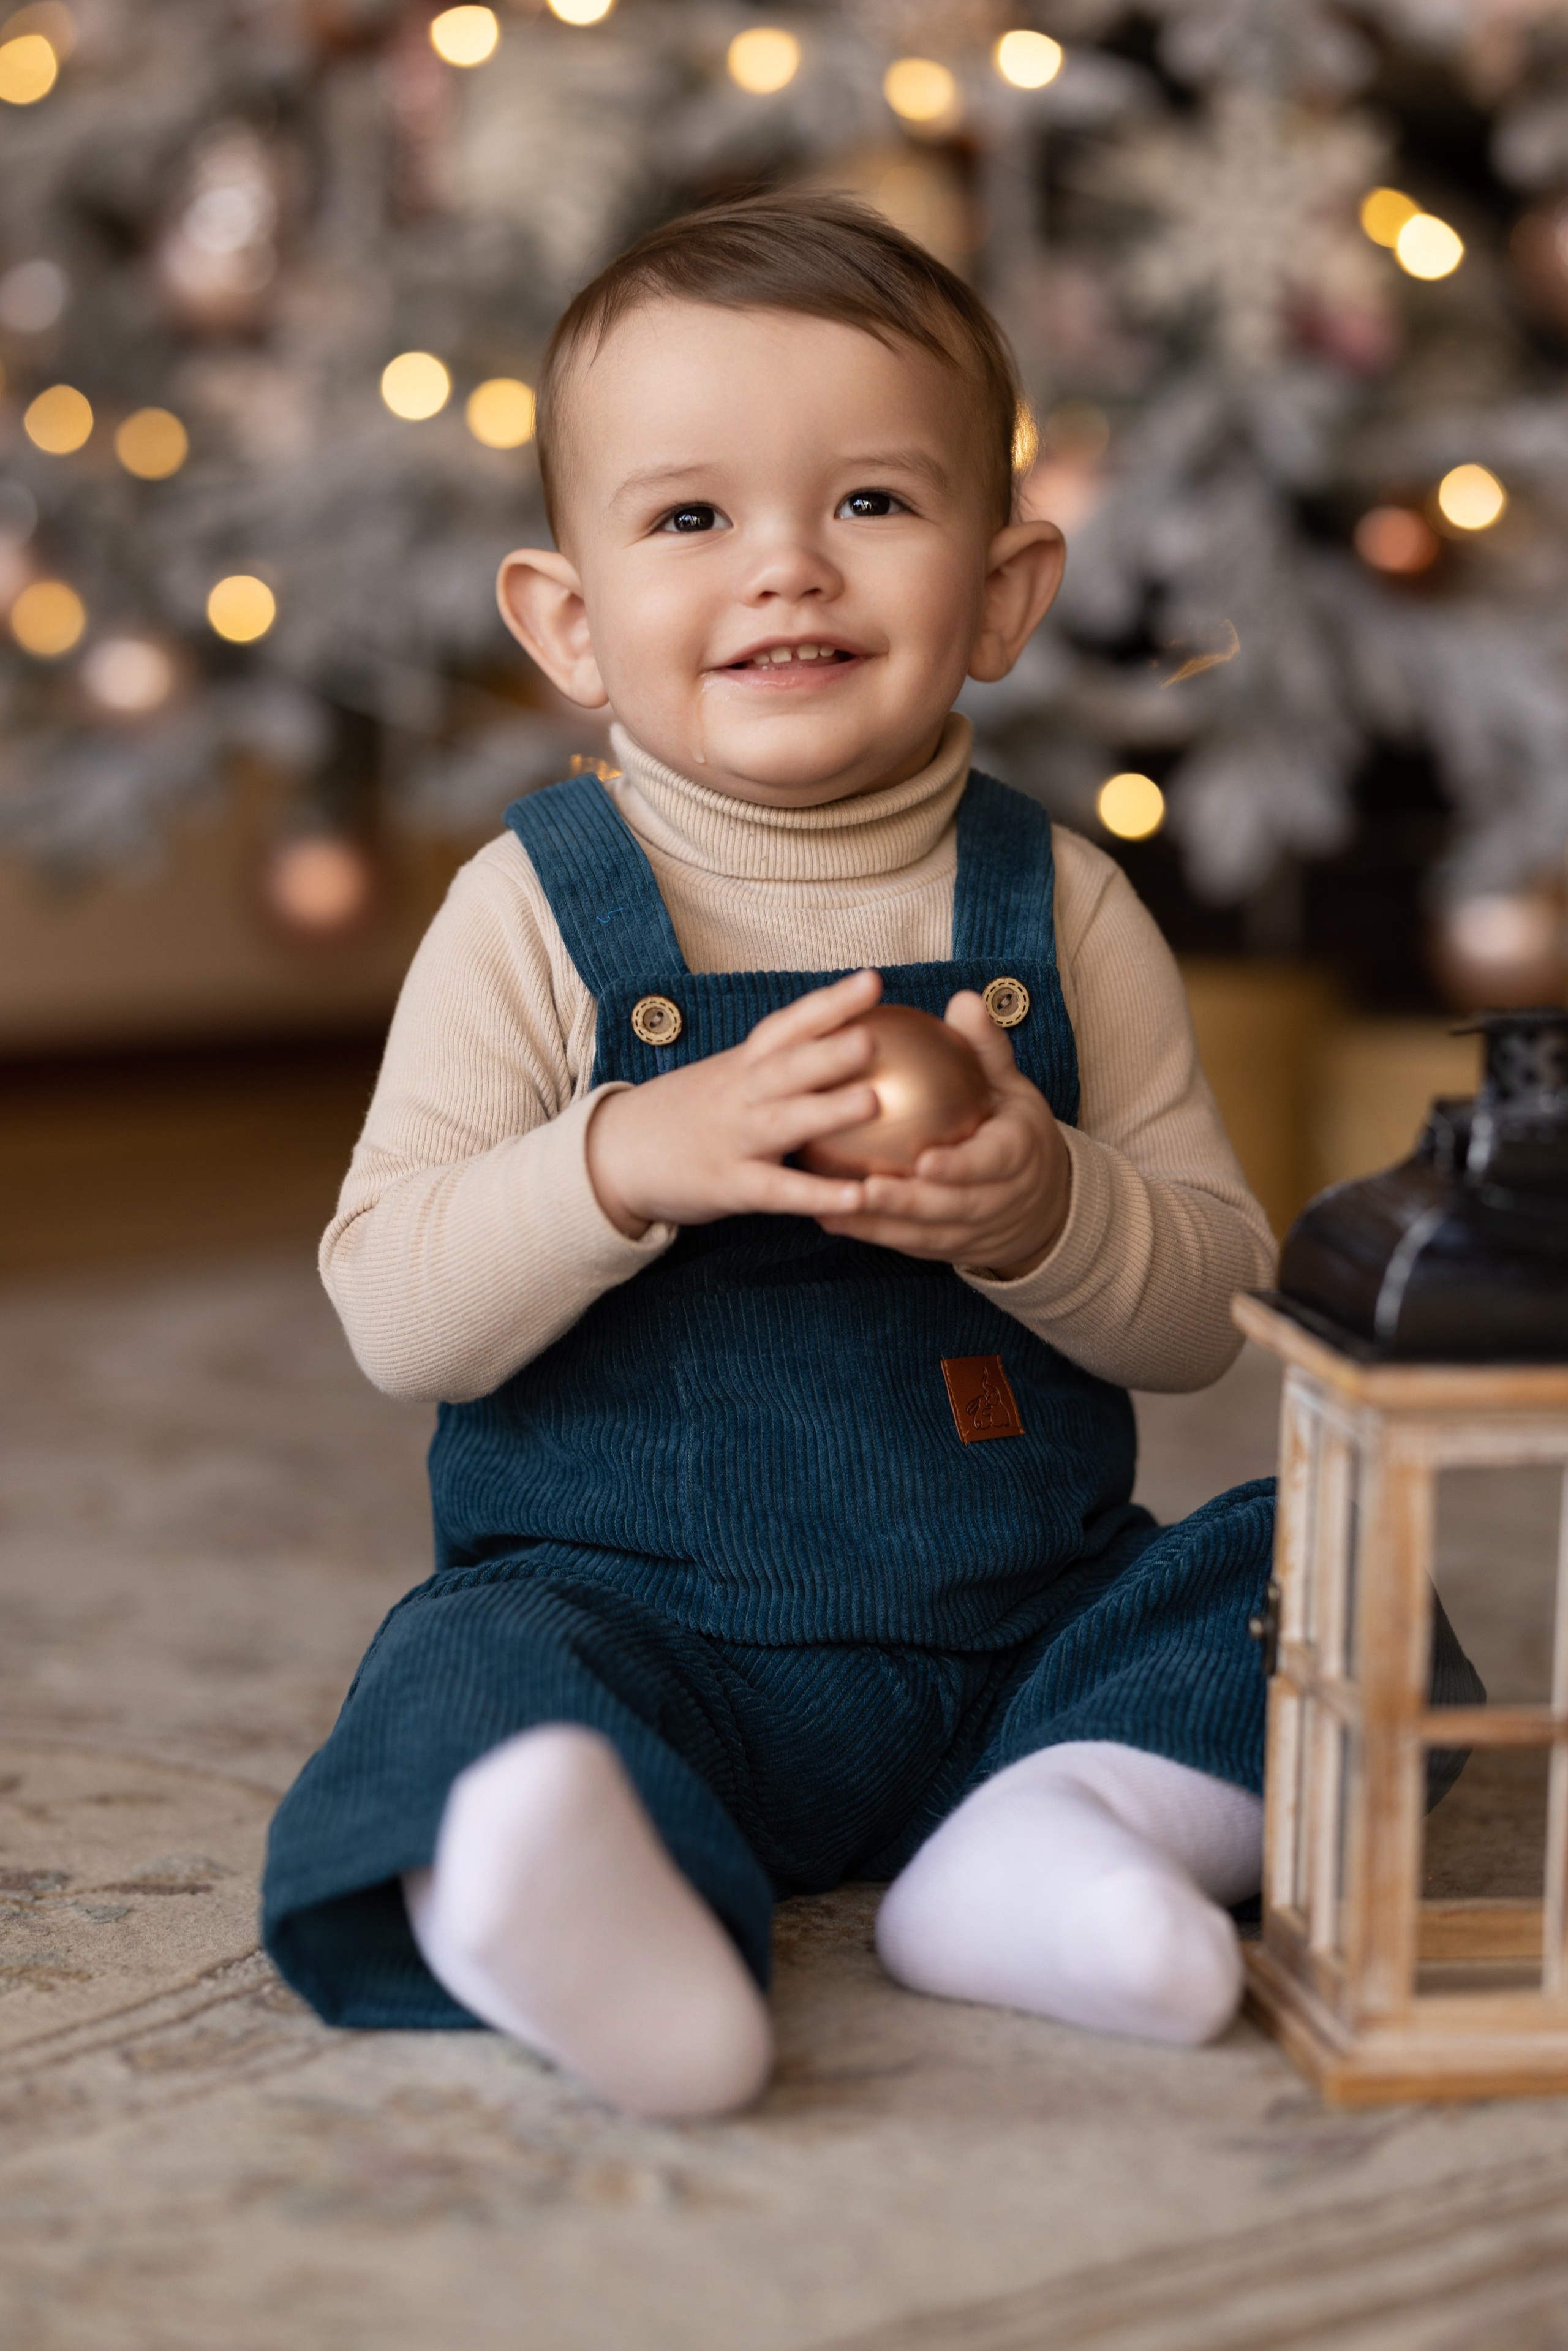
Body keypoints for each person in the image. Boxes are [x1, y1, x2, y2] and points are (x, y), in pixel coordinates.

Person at [262, 189, 1289, 2119]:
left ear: (1004, 589)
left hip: (1016, 1628)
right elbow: (397, 1309)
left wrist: (1051, 1203)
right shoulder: (533, 915)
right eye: (690, 518)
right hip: (634, 1624)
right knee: (474, 1676)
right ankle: (595, 1895)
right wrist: (624, 1156)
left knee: (1317, 1586)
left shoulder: (1061, 906)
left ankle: (1054, 1843)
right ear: (567, 621)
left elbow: (1210, 1307)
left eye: (875, 506)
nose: (788, 573)